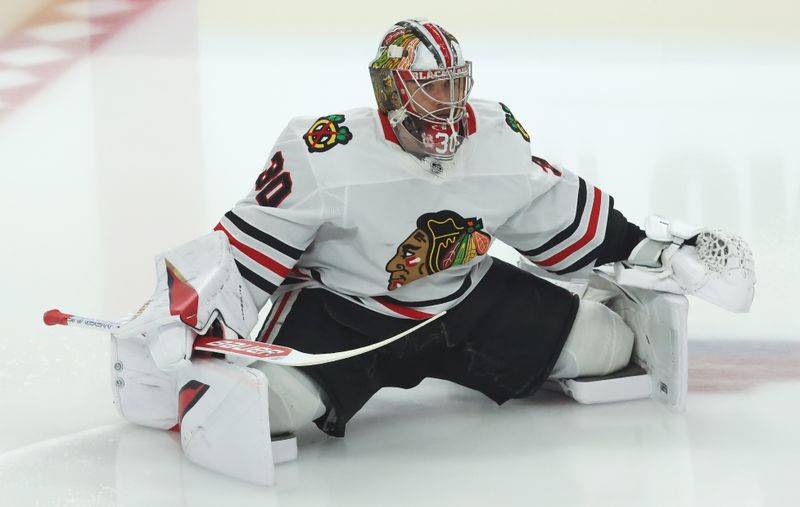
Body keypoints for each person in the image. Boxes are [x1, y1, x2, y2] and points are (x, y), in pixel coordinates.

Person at [108, 19, 755, 485]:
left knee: (610, 347)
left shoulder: (495, 135)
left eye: (451, 86)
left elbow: (552, 208)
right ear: (390, 91)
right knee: (263, 411)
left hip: (467, 299)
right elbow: (246, 247)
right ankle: (184, 385)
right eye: (426, 87)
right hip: (348, 312)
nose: (444, 105)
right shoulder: (325, 152)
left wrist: (650, 248)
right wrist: (182, 315)